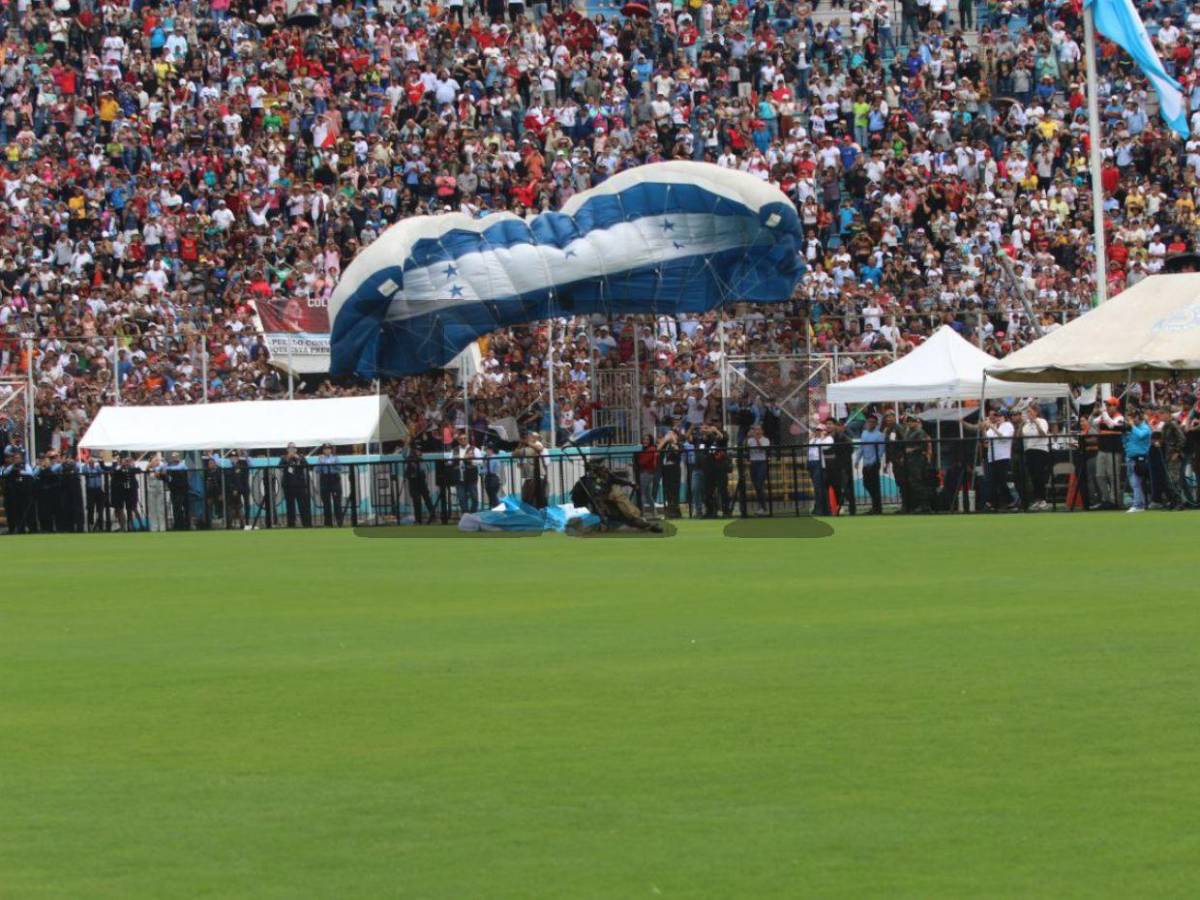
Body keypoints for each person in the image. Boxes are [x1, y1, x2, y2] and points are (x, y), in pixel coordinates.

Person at [1092, 398, 1125, 509]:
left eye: (1110, 405)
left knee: (1113, 476)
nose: (1108, 407)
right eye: (1107, 405)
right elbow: (1094, 422)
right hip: (1102, 449)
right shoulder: (1104, 417)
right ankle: (1105, 499)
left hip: (1114, 450)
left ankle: (1114, 501)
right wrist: (1101, 414)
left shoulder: (1119, 417)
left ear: (1116, 406)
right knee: (1099, 475)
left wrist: (1104, 414)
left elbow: (1112, 425)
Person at [1160, 404, 1195, 509]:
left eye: (1162, 414)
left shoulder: (1173, 425)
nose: (1160, 416)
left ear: (1167, 414)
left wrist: (1177, 452)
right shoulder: (1165, 426)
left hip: (1175, 456)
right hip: (1168, 455)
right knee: (1169, 480)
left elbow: (1182, 439)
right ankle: (1173, 501)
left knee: (1175, 480)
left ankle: (1179, 502)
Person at [1020, 406, 1052, 511]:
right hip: (1029, 450)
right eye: (1027, 412)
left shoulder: (1042, 421)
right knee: (1033, 476)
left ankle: (1043, 499)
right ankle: (1037, 499)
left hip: (1040, 450)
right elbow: (1021, 435)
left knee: (1039, 475)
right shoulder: (1026, 424)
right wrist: (1021, 425)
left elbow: (1043, 434)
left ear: (1036, 412)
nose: (1028, 414)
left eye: (1030, 412)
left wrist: (1036, 423)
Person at [1123, 408, 1152, 513]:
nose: (1133, 419)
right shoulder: (1132, 428)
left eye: (1134, 417)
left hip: (1139, 459)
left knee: (1136, 483)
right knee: (1134, 483)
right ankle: (1140, 504)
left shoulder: (1145, 428)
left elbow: (1141, 435)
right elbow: (1126, 441)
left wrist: (1132, 426)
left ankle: (1138, 505)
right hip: (1130, 458)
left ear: (1139, 417)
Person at [856, 413, 885, 514]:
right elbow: (861, 448)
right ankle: (875, 505)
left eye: (873, 422)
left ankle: (877, 508)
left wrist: (873, 462)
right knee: (867, 483)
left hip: (874, 463)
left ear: (876, 423)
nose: (870, 423)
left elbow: (881, 451)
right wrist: (857, 460)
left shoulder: (880, 435)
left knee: (874, 485)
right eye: (869, 422)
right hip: (865, 462)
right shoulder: (864, 433)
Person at [405, 443, 438, 524]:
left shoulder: (421, 459)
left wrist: (418, 460)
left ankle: (433, 515)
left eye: (419, 450)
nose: (418, 451)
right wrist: (407, 444)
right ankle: (418, 520)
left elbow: (424, 469)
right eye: (417, 449)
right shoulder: (409, 458)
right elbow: (404, 454)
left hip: (421, 480)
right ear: (413, 450)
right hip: (413, 481)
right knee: (416, 500)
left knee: (427, 498)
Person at [451, 432, 484, 513]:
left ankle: (473, 514)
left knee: (474, 497)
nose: (463, 440)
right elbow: (449, 461)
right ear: (458, 440)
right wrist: (460, 458)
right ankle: (465, 514)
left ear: (467, 439)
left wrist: (471, 460)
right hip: (459, 477)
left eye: (464, 438)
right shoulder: (454, 450)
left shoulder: (475, 449)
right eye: (461, 439)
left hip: (471, 477)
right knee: (461, 498)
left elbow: (480, 461)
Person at [281, 443, 312, 527]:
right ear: (287, 449)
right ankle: (291, 524)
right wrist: (288, 459)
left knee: (303, 505)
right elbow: (280, 466)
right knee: (290, 506)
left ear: (296, 449)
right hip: (288, 485)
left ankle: (306, 524)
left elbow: (307, 466)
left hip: (300, 485)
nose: (291, 450)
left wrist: (298, 458)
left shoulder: (301, 457)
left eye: (293, 448)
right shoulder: (283, 458)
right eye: (289, 448)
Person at [158, 452, 191, 530]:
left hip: (183, 490)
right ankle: (178, 525)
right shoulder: (169, 467)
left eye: (176, 457)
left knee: (184, 508)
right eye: (173, 457)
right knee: (176, 508)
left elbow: (184, 475)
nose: (174, 458)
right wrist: (164, 470)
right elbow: (164, 477)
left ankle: (186, 525)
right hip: (174, 491)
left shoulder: (182, 466)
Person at [315, 443, 345, 527]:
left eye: (328, 448)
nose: (327, 450)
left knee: (337, 503)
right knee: (326, 503)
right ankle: (328, 523)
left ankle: (339, 522)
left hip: (334, 479)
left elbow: (340, 468)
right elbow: (317, 470)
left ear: (331, 450)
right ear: (323, 450)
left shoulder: (335, 458)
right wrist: (320, 463)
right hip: (324, 480)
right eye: (325, 449)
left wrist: (333, 464)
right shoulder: (320, 458)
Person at [109, 456, 141, 532]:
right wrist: (115, 464)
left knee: (133, 508)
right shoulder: (119, 469)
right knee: (124, 509)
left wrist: (132, 464)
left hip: (132, 491)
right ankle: (126, 527)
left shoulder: (131, 468)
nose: (125, 462)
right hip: (124, 492)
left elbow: (138, 470)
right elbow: (113, 472)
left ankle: (139, 525)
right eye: (124, 461)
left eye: (126, 461)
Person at [657, 429, 684, 518]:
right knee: (667, 490)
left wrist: (674, 440)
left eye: (671, 434)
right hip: (665, 469)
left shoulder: (678, 444)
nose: (669, 435)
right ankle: (669, 511)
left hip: (674, 469)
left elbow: (678, 451)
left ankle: (675, 511)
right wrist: (665, 440)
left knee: (674, 490)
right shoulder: (666, 445)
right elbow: (658, 449)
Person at [745, 424, 771, 515]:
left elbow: (763, 448)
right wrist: (747, 437)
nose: (757, 431)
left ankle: (763, 507)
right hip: (753, 463)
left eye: (758, 429)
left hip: (762, 462)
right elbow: (745, 448)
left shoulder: (766, 440)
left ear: (762, 431)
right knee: (756, 485)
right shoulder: (750, 440)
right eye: (755, 429)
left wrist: (756, 439)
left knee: (760, 484)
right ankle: (761, 506)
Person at [808, 423, 832, 516]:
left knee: (819, 488)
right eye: (817, 430)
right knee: (817, 487)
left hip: (820, 464)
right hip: (812, 463)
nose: (818, 432)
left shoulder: (828, 439)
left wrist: (821, 438)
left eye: (820, 430)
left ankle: (821, 508)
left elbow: (825, 446)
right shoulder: (812, 440)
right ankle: (819, 507)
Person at [81, 455, 110, 531]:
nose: (92, 463)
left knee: (100, 508)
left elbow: (102, 471)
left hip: (98, 490)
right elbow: (83, 472)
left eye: (92, 461)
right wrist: (86, 463)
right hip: (90, 490)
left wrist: (99, 464)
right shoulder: (86, 468)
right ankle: (90, 525)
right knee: (90, 508)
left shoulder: (97, 467)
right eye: (90, 461)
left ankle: (100, 526)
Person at [634, 434, 659, 513]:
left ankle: (642, 513)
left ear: (650, 441)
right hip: (646, 472)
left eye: (647, 439)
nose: (645, 441)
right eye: (644, 439)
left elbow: (643, 462)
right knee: (647, 494)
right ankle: (654, 512)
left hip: (646, 473)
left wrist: (636, 461)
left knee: (642, 493)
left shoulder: (651, 449)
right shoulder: (645, 449)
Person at [482, 445, 504, 509]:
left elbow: (490, 470)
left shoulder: (492, 458)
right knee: (492, 496)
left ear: (490, 450)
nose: (485, 452)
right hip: (491, 478)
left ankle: (499, 509)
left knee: (492, 495)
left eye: (486, 450)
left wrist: (483, 469)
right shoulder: (490, 458)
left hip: (492, 478)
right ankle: (496, 510)